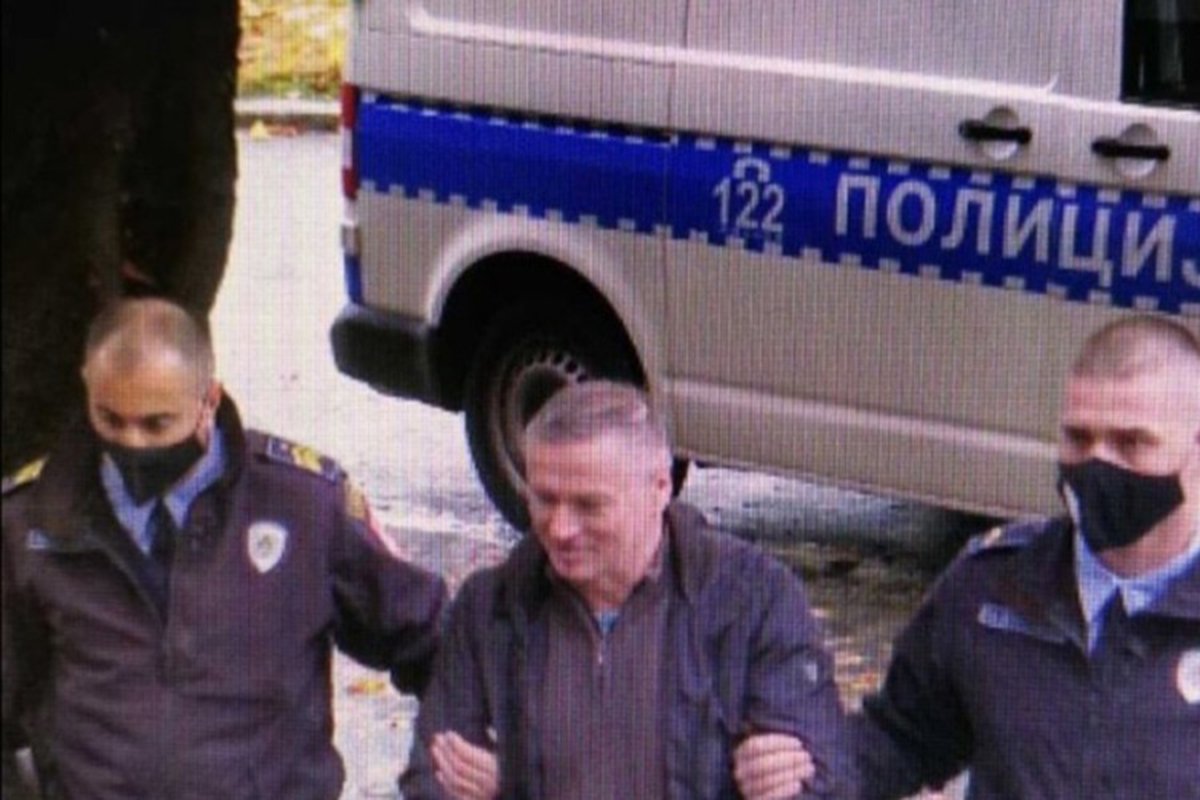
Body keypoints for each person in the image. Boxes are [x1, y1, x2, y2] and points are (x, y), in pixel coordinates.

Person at [1, 297, 448, 799]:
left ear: (208, 400)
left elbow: (445, 646)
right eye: (110, 419)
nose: (133, 444)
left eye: (157, 424)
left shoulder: (304, 506)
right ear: (88, 387)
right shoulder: (27, 522)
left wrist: (435, 782)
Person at [401, 381, 856, 799]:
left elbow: (828, 776)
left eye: (588, 505)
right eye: (544, 498)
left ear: (660, 488)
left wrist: (793, 783)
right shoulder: (488, 608)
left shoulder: (754, 600)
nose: (559, 528)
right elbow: (429, 779)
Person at [854, 315, 1200, 798]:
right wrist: (794, 758)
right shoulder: (993, 589)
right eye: (1079, 438)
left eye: (1131, 442)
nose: (1098, 462)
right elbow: (899, 740)